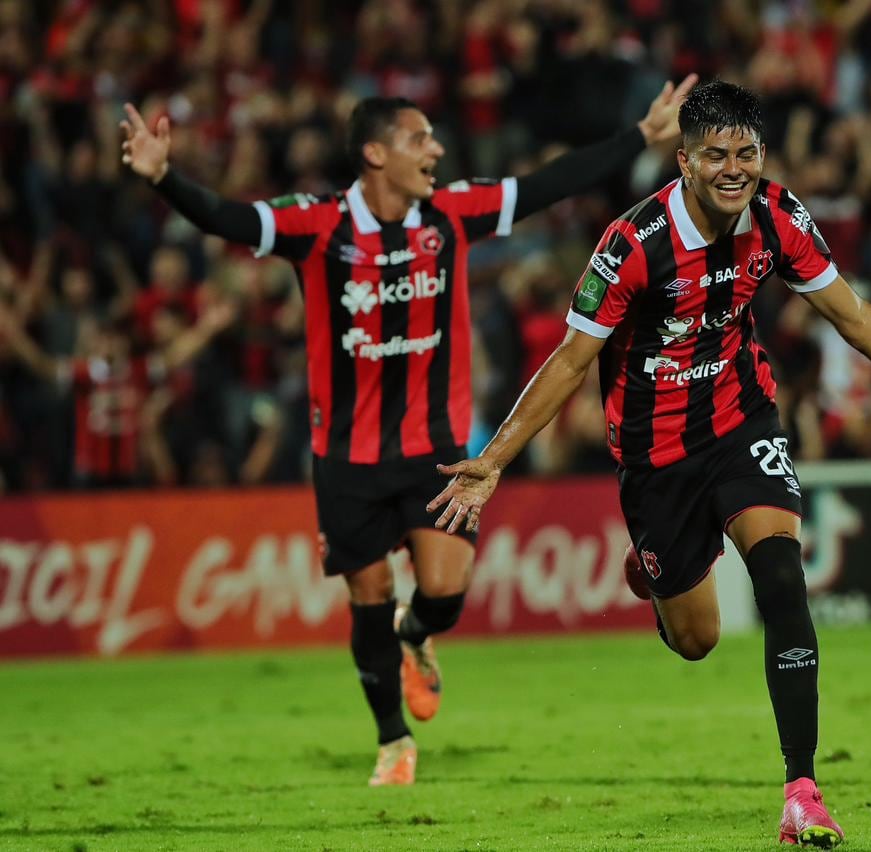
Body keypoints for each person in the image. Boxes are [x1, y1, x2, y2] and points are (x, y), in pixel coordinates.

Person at [427, 80, 871, 848]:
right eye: (715, 155)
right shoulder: (633, 242)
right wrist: (494, 460)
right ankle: (655, 572)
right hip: (655, 457)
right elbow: (573, 359)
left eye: (746, 153)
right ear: (683, 160)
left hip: (744, 420)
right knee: (696, 640)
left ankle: (802, 789)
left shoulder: (780, 215)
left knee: (782, 577)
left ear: (762, 156)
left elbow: (849, 313)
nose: (733, 169)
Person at [118, 75, 697, 786]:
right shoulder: (319, 225)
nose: (437, 149)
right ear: (374, 153)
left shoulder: (450, 214)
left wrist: (640, 136)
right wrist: (164, 178)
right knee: (365, 594)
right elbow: (228, 220)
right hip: (348, 457)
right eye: (420, 139)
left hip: (435, 448)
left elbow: (549, 184)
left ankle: (415, 633)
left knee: (446, 592)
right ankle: (393, 741)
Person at [0, 302, 235, 489]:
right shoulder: (84, 374)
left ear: (124, 343)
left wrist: (208, 328)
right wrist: (12, 331)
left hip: (129, 471)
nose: (109, 345)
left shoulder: (137, 370)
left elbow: (175, 357)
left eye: (113, 339)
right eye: (103, 340)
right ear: (95, 344)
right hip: (90, 473)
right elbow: (43, 366)